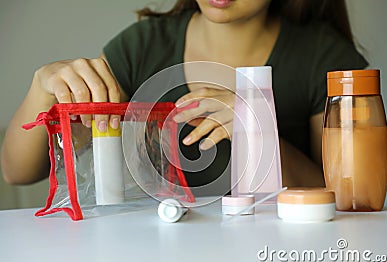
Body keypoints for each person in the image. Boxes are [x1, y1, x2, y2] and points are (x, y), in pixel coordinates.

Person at [1, 0, 367, 192]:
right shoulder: (141, 47)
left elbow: (352, 200)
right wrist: (41, 89)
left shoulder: (329, 61)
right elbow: (16, 173)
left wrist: (261, 134)